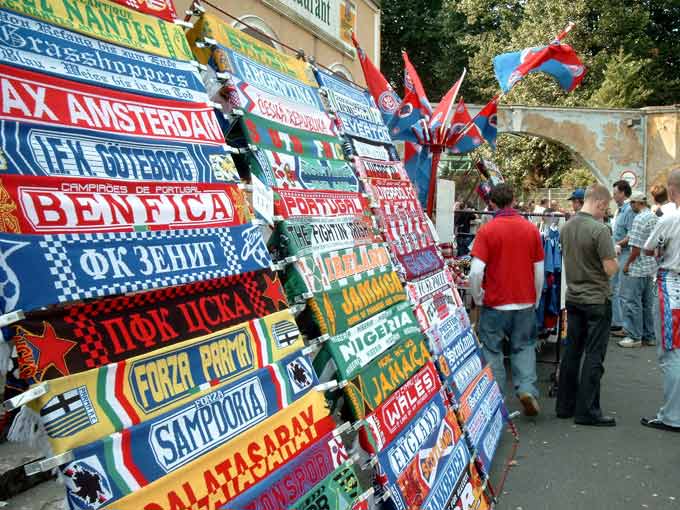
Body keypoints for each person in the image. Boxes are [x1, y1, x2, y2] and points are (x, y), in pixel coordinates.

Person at [469, 184, 544, 416]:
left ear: (491, 203)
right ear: (513, 200)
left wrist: (477, 296)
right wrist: (537, 297)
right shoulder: (531, 230)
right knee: (524, 346)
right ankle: (527, 389)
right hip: (524, 301)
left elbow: (476, 271)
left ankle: (496, 396)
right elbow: (538, 270)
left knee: (492, 348)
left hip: (496, 302)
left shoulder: (487, 230)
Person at [556, 184, 619, 426]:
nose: (606, 211)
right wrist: (615, 255)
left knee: (572, 352)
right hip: (596, 300)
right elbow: (610, 269)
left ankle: (565, 406)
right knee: (594, 355)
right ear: (601, 204)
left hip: (573, 297)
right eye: (606, 207)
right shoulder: (600, 230)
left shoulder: (567, 226)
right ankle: (587, 411)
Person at [640, 169, 680, 433]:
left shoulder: (670, 219)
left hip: (672, 284)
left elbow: (648, 247)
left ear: (673, 189)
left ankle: (673, 416)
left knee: (671, 352)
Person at [618, 192, 658, 348]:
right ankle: (649, 336)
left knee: (632, 302)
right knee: (647, 304)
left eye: (631, 203)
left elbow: (635, 249)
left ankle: (634, 336)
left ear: (637, 203)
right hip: (650, 267)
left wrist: (627, 264)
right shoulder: (653, 217)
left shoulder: (639, 219)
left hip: (637, 267)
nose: (630, 206)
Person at [610, 180, 635, 336]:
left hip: (624, 253)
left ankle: (624, 325)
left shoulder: (629, 210)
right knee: (614, 288)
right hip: (617, 253)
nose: (613, 195)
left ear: (623, 193)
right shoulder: (619, 210)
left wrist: (617, 244)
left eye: (615, 193)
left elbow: (631, 234)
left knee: (622, 290)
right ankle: (617, 322)